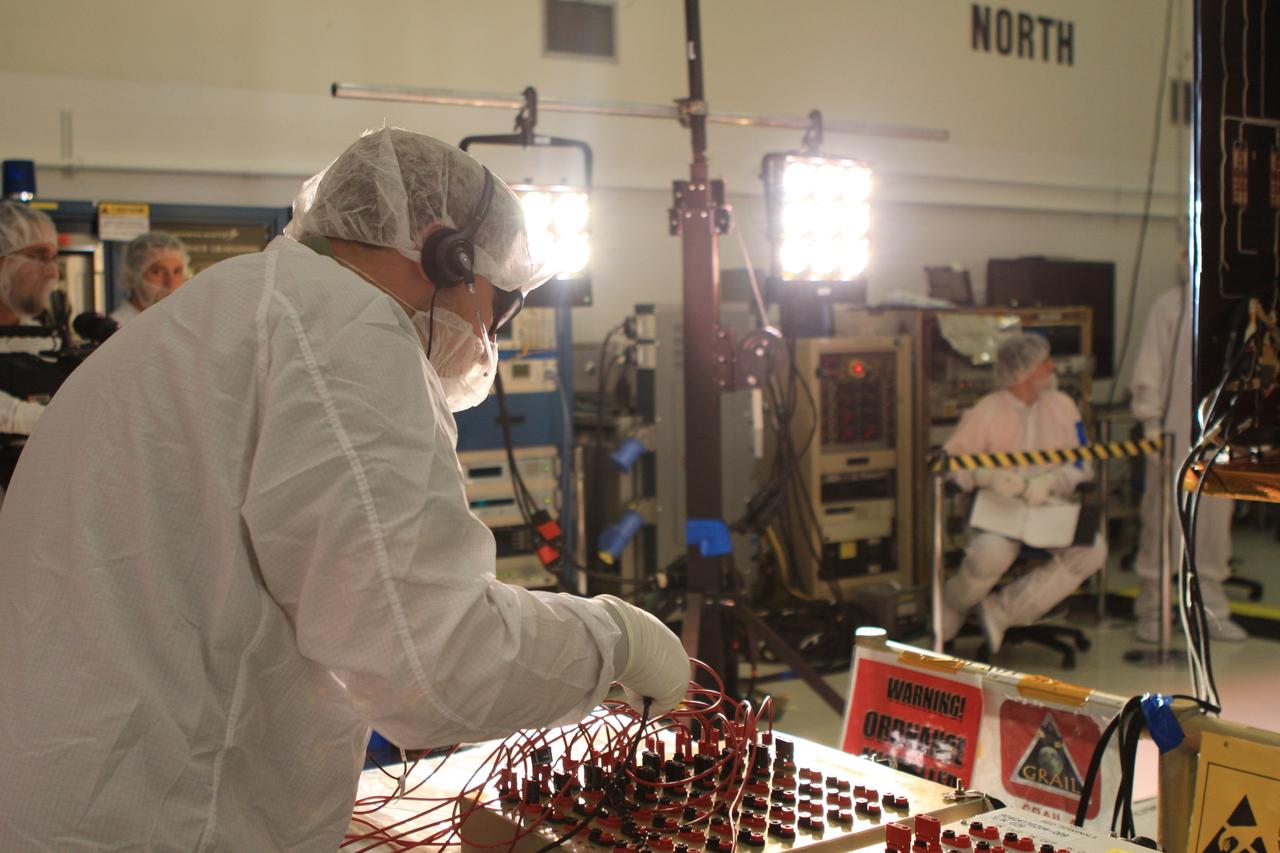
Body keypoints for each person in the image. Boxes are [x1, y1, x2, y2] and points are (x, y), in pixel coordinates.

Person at [0, 128, 690, 851]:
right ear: (442, 251)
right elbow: (438, 666)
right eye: (500, 305)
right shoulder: (344, 328)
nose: (492, 336)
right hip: (161, 823)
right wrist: (617, 641)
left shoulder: (230, 308)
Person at [938, 333, 1106, 653]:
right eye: (1045, 364)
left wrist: (1052, 482)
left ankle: (1003, 612)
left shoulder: (1063, 406)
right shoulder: (986, 411)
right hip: (997, 507)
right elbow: (949, 465)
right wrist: (984, 476)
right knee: (990, 556)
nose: (1052, 368)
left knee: (1093, 549)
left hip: (1046, 505)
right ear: (1023, 371)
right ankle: (952, 607)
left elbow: (1083, 465)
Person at [1130, 279, 1247, 642]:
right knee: (1162, 522)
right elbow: (1150, 365)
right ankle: (1153, 609)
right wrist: (1150, 422)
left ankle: (1209, 611)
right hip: (1173, 435)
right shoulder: (1170, 305)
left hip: (1221, 438)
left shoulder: (1241, 309)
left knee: (1212, 528)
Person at [0, 200, 59, 501]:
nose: (51, 271)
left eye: (53, 258)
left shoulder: (42, 338)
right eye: (38, 256)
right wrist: (47, 420)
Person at [110, 231, 189, 324]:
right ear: (133, 276)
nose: (170, 283)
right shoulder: (116, 331)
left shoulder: (185, 324)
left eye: (177, 271)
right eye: (157, 272)